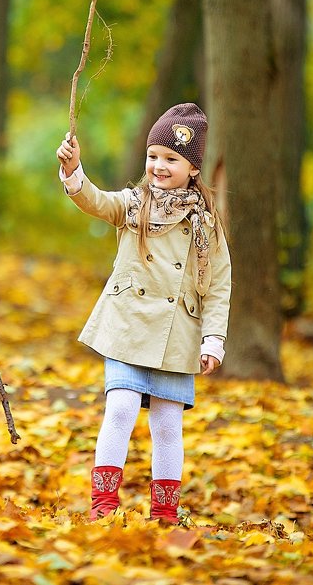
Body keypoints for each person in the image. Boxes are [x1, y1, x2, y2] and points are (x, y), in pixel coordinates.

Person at [56, 103, 231, 524]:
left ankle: (165, 514)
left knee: (168, 425)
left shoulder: (206, 224)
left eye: (171, 159)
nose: (158, 165)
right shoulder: (134, 205)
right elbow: (96, 202)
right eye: (153, 156)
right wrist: (74, 171)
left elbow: (220, 284)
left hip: (177, 334)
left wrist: (213, 339)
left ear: (193, 168)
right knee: (119, 409)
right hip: (128, 326)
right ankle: (103, 506)